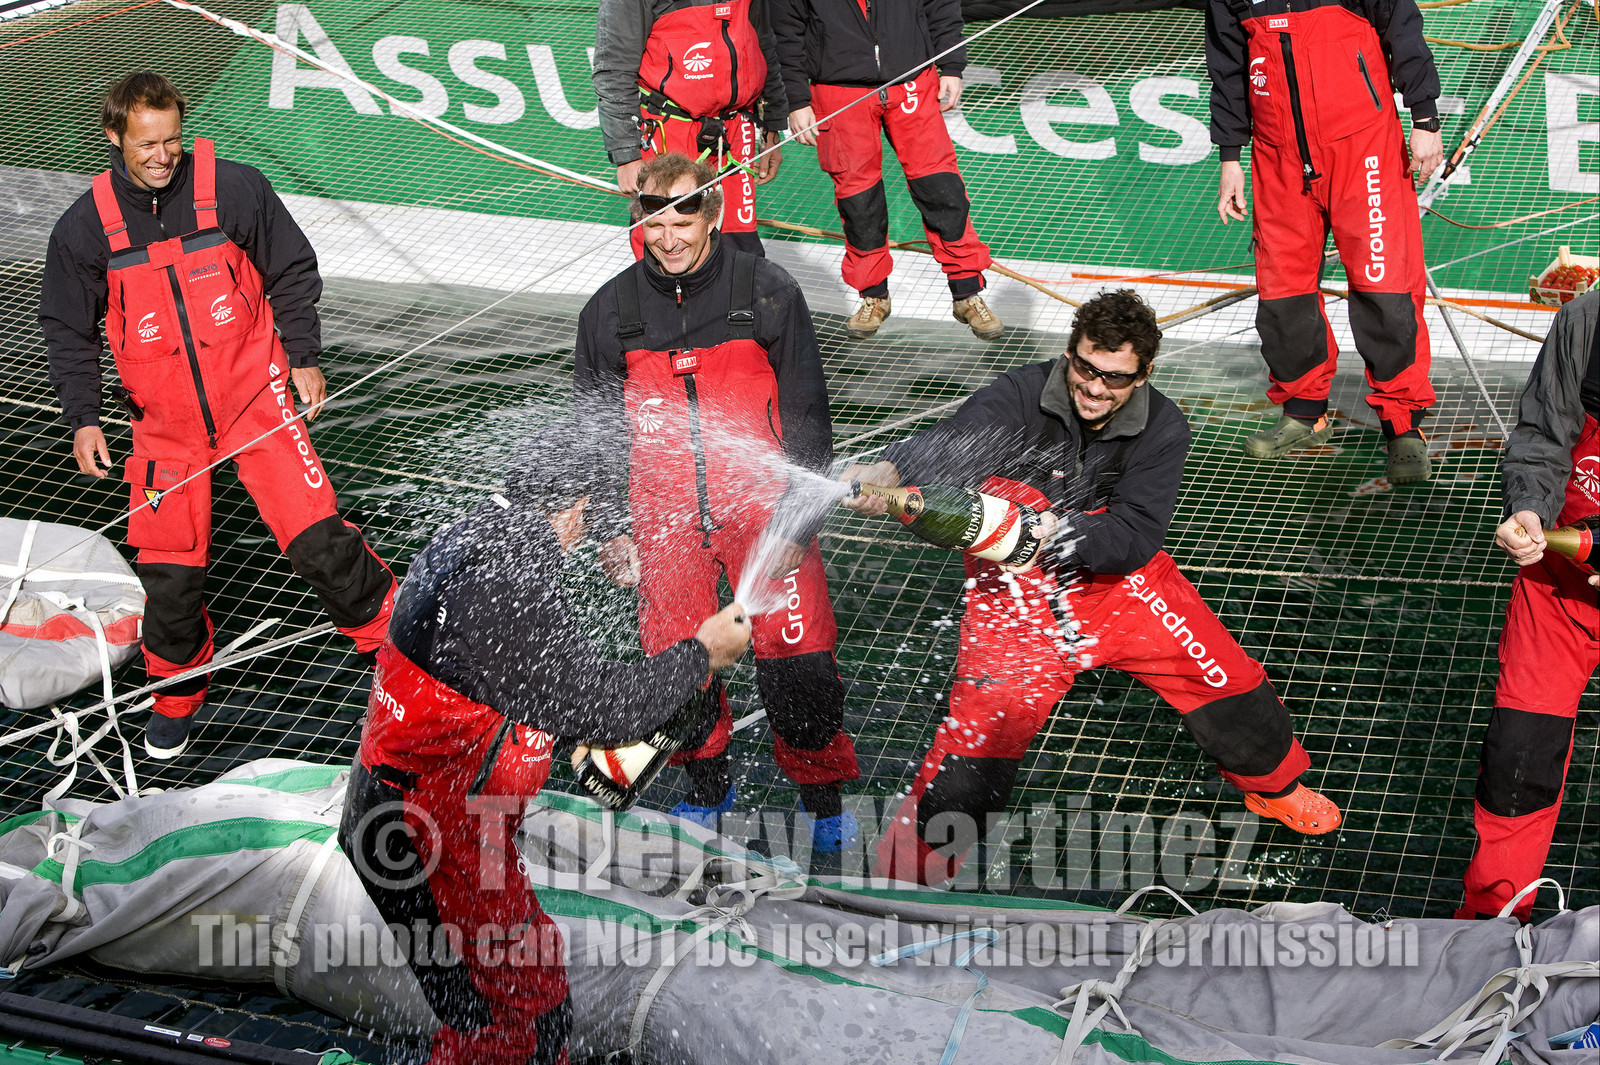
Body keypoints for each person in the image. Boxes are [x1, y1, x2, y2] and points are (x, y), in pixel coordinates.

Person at [841, 290, 1341, 886]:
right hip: (1014, 602)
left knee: (1226, 684)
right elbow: (947, 448)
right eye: (1084, 367)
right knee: (976, 751)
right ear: (1069, 352)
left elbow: (1134, 535)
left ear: (1145, 372)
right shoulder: (1019, 394)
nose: (1095, 388)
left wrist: (1060, 531)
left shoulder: (1164, 428)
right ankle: (908, 877)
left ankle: (1274, 786)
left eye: (1116, 377)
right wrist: (890, 471)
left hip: (1124, 589)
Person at [340, 431, 753, 1065]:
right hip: (434, 843)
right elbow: (602, 707)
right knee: (526, 1015)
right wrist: (703, 654)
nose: (586, 531)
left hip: (413, 818)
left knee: (499, 1007)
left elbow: (535, 686)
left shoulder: (480, 538)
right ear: (573, 506)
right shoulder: (509, 585)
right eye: (589, 515)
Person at [38, 72, 395, 760]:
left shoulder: (234, 187)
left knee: (320, 540)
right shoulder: (84, 227)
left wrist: (304, 355)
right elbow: (66, 328)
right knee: (169, 574)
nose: (162, 155)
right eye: (146, 144)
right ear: (114, 138)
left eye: (172, 139)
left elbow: (291, 269)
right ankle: (176, 692)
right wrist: (84, 417)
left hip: (255, 398)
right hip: (162, 425)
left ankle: (392, 642)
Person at [572, 153, 862, 852]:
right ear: (636, 216)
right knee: (680, 674)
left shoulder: (766, 291)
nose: (668, 233)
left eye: (684, 213)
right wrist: (613, 529)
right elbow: (597, 435)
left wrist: (801, 520)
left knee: (802, 672)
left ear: (715, 214)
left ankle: (823, 805)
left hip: (767, 515)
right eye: (653, 215)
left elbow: (808, 418)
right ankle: (710, 793)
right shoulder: (608, 312)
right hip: (662, 522)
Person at [1206, 0, 1442, 484]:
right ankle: (1304, 410)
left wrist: (1424, 118)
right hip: (1277, 156)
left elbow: (1403, 28)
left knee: (1385, 287)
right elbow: (1228, 69)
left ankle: (1402, 426)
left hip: (1364, 147)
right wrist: (1231, 156)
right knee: (1282, 292)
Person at [1457, 290, 1598, 922]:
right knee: (1518, 756)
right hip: (1559, 589)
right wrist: (1529, 508)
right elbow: (1545, 431)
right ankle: (1488, 926)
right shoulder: (1587, 317)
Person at [771, 0, 1004, 341]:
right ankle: (873, 295)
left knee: (941, 187)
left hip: (913, 80)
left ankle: (967, 290)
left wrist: (952, 66)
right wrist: (797, 99)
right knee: (858, 198)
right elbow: (785, 32)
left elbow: (941, 5)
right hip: (837, 88)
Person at [593, 0, 787, 258]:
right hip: (668, 135)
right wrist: (626, 155)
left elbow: (763, 45)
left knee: (740, 253)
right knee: (668, 247)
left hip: (736, 131)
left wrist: (771, 125)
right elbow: (613, 69)